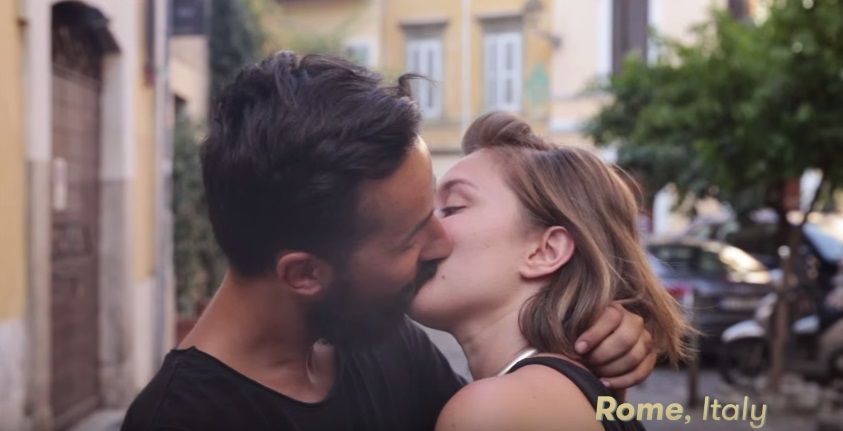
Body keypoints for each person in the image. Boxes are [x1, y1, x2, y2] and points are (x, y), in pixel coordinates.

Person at [121, 52, 658, 431]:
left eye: (446, 208)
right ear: (305, 273)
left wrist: (589, 354)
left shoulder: (379, 338)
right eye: (411, 235)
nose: (440, 241)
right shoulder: (184, 419)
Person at [408, 112, 692, 431]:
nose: (423, 224)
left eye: (453, 207)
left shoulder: (498, 410)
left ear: (546, 251)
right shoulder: (559, 394)